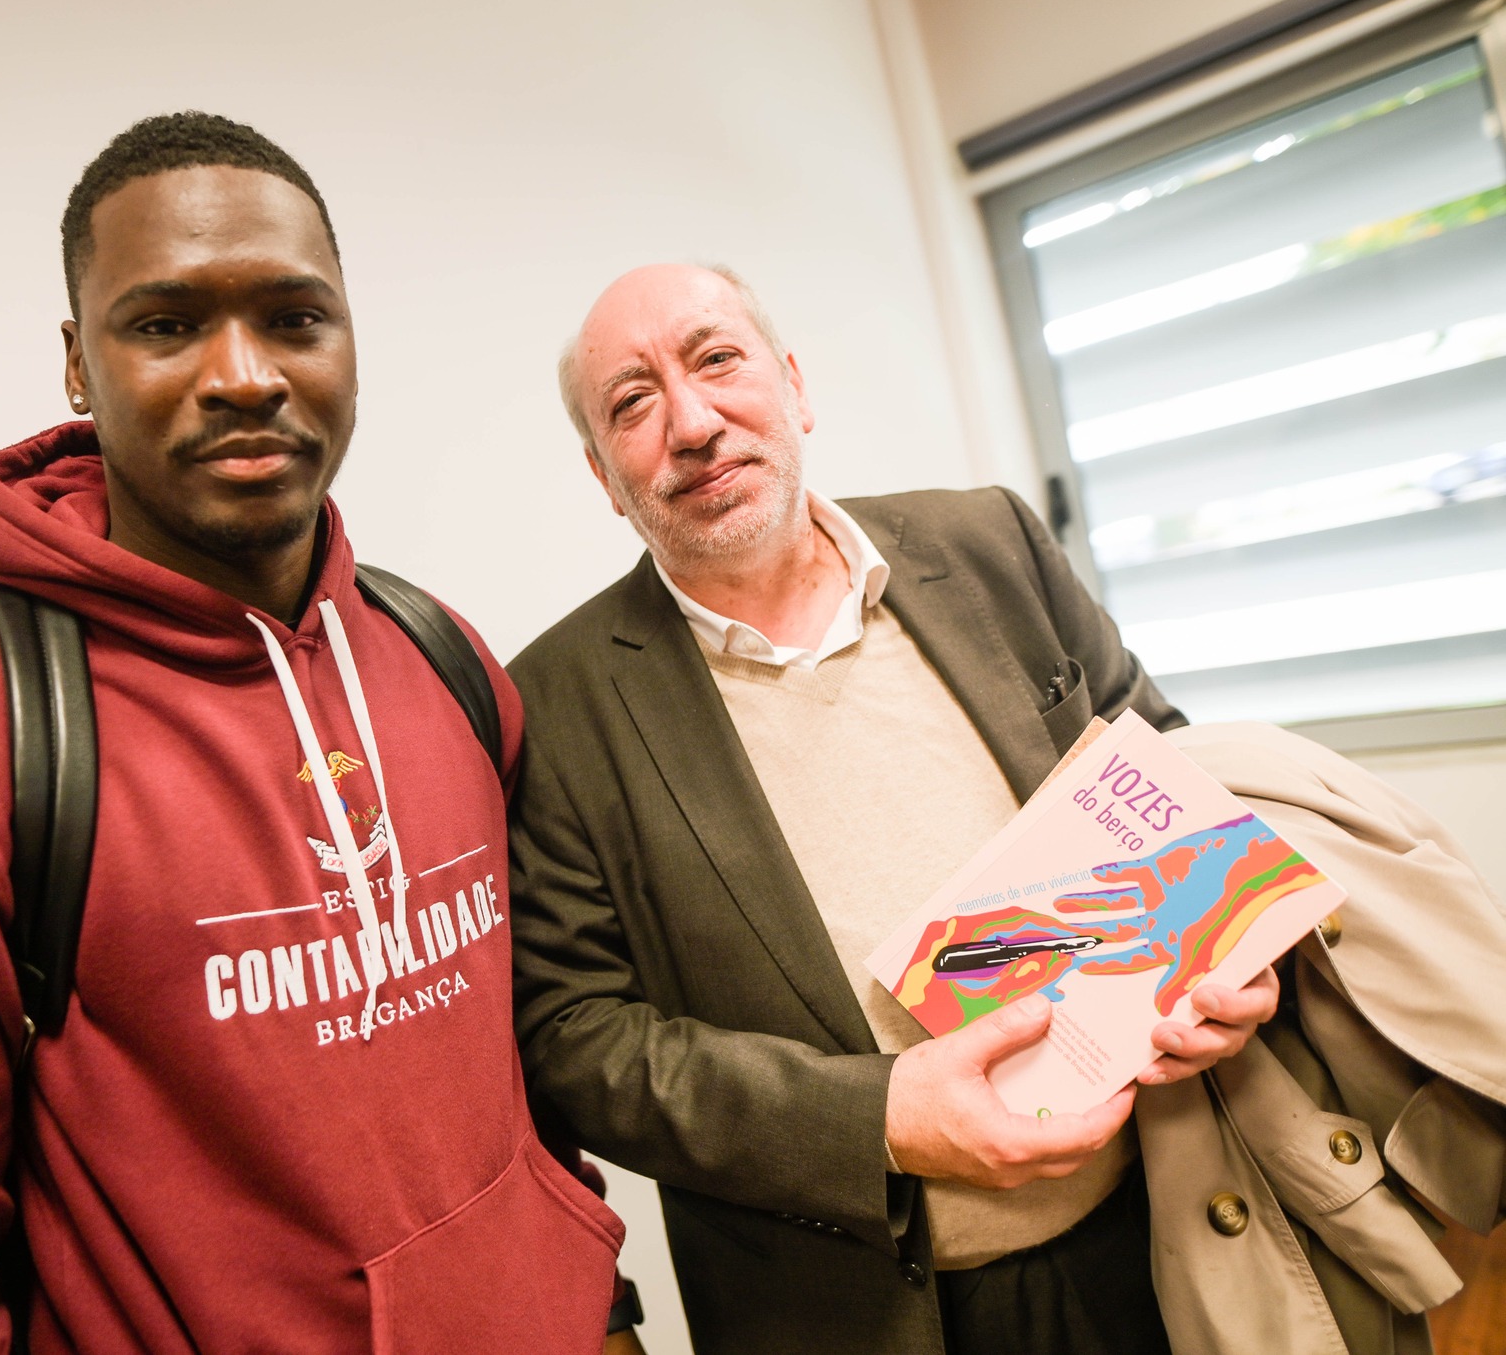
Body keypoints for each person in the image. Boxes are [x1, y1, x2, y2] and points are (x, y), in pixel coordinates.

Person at [0, 112, 633, 1353]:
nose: (244, 375)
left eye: (294, 317)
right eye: (165, 324)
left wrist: (603, 1312)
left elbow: (517, 1085)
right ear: (76, 363)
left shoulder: (443, 657)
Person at [507, 263, 1284, 1355]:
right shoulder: (549, 705)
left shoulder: (989, 543)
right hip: (848, 1309)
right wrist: (876, 1118)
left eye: (717, 359)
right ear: (603, 474)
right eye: (632, 403)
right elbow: (575, 1037)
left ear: (793, 385)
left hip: (1161, 1226)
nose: (691, 422)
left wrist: (1231, 951)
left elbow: (1167, 764)